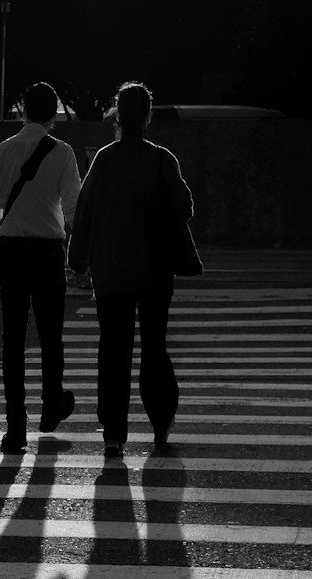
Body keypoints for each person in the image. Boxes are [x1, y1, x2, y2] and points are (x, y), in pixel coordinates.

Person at [66, 81, 193, 458]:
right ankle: (159, 421)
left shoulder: (104, 159)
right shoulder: (161, 159)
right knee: (154, 345)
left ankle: (114, 435)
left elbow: (85, 211)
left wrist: (78, 260)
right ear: (148, 117)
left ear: (117, 116)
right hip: (155, 270)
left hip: (111, 272)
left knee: (114, 350)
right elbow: (185, 208)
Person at [0, 81, 82, 452]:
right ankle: (50, 406)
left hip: (11, 250)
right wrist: (80, 252)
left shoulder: (2, 151)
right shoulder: (63, 153)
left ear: (23, 110)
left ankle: (15, 427)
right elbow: (73, 209)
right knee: (51, 336)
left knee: (14, 340)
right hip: (47, 253)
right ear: (54, 113)